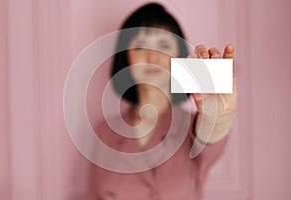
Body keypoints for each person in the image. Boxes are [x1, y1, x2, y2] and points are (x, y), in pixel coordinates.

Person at [89, 3, 237, 200]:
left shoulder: (192, 127)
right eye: (141, 46)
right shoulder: (104, 132)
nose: (152, 57)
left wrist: (218, 116)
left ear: (180, 58)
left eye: (164, 46)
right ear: (126, 58)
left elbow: (212, 131)